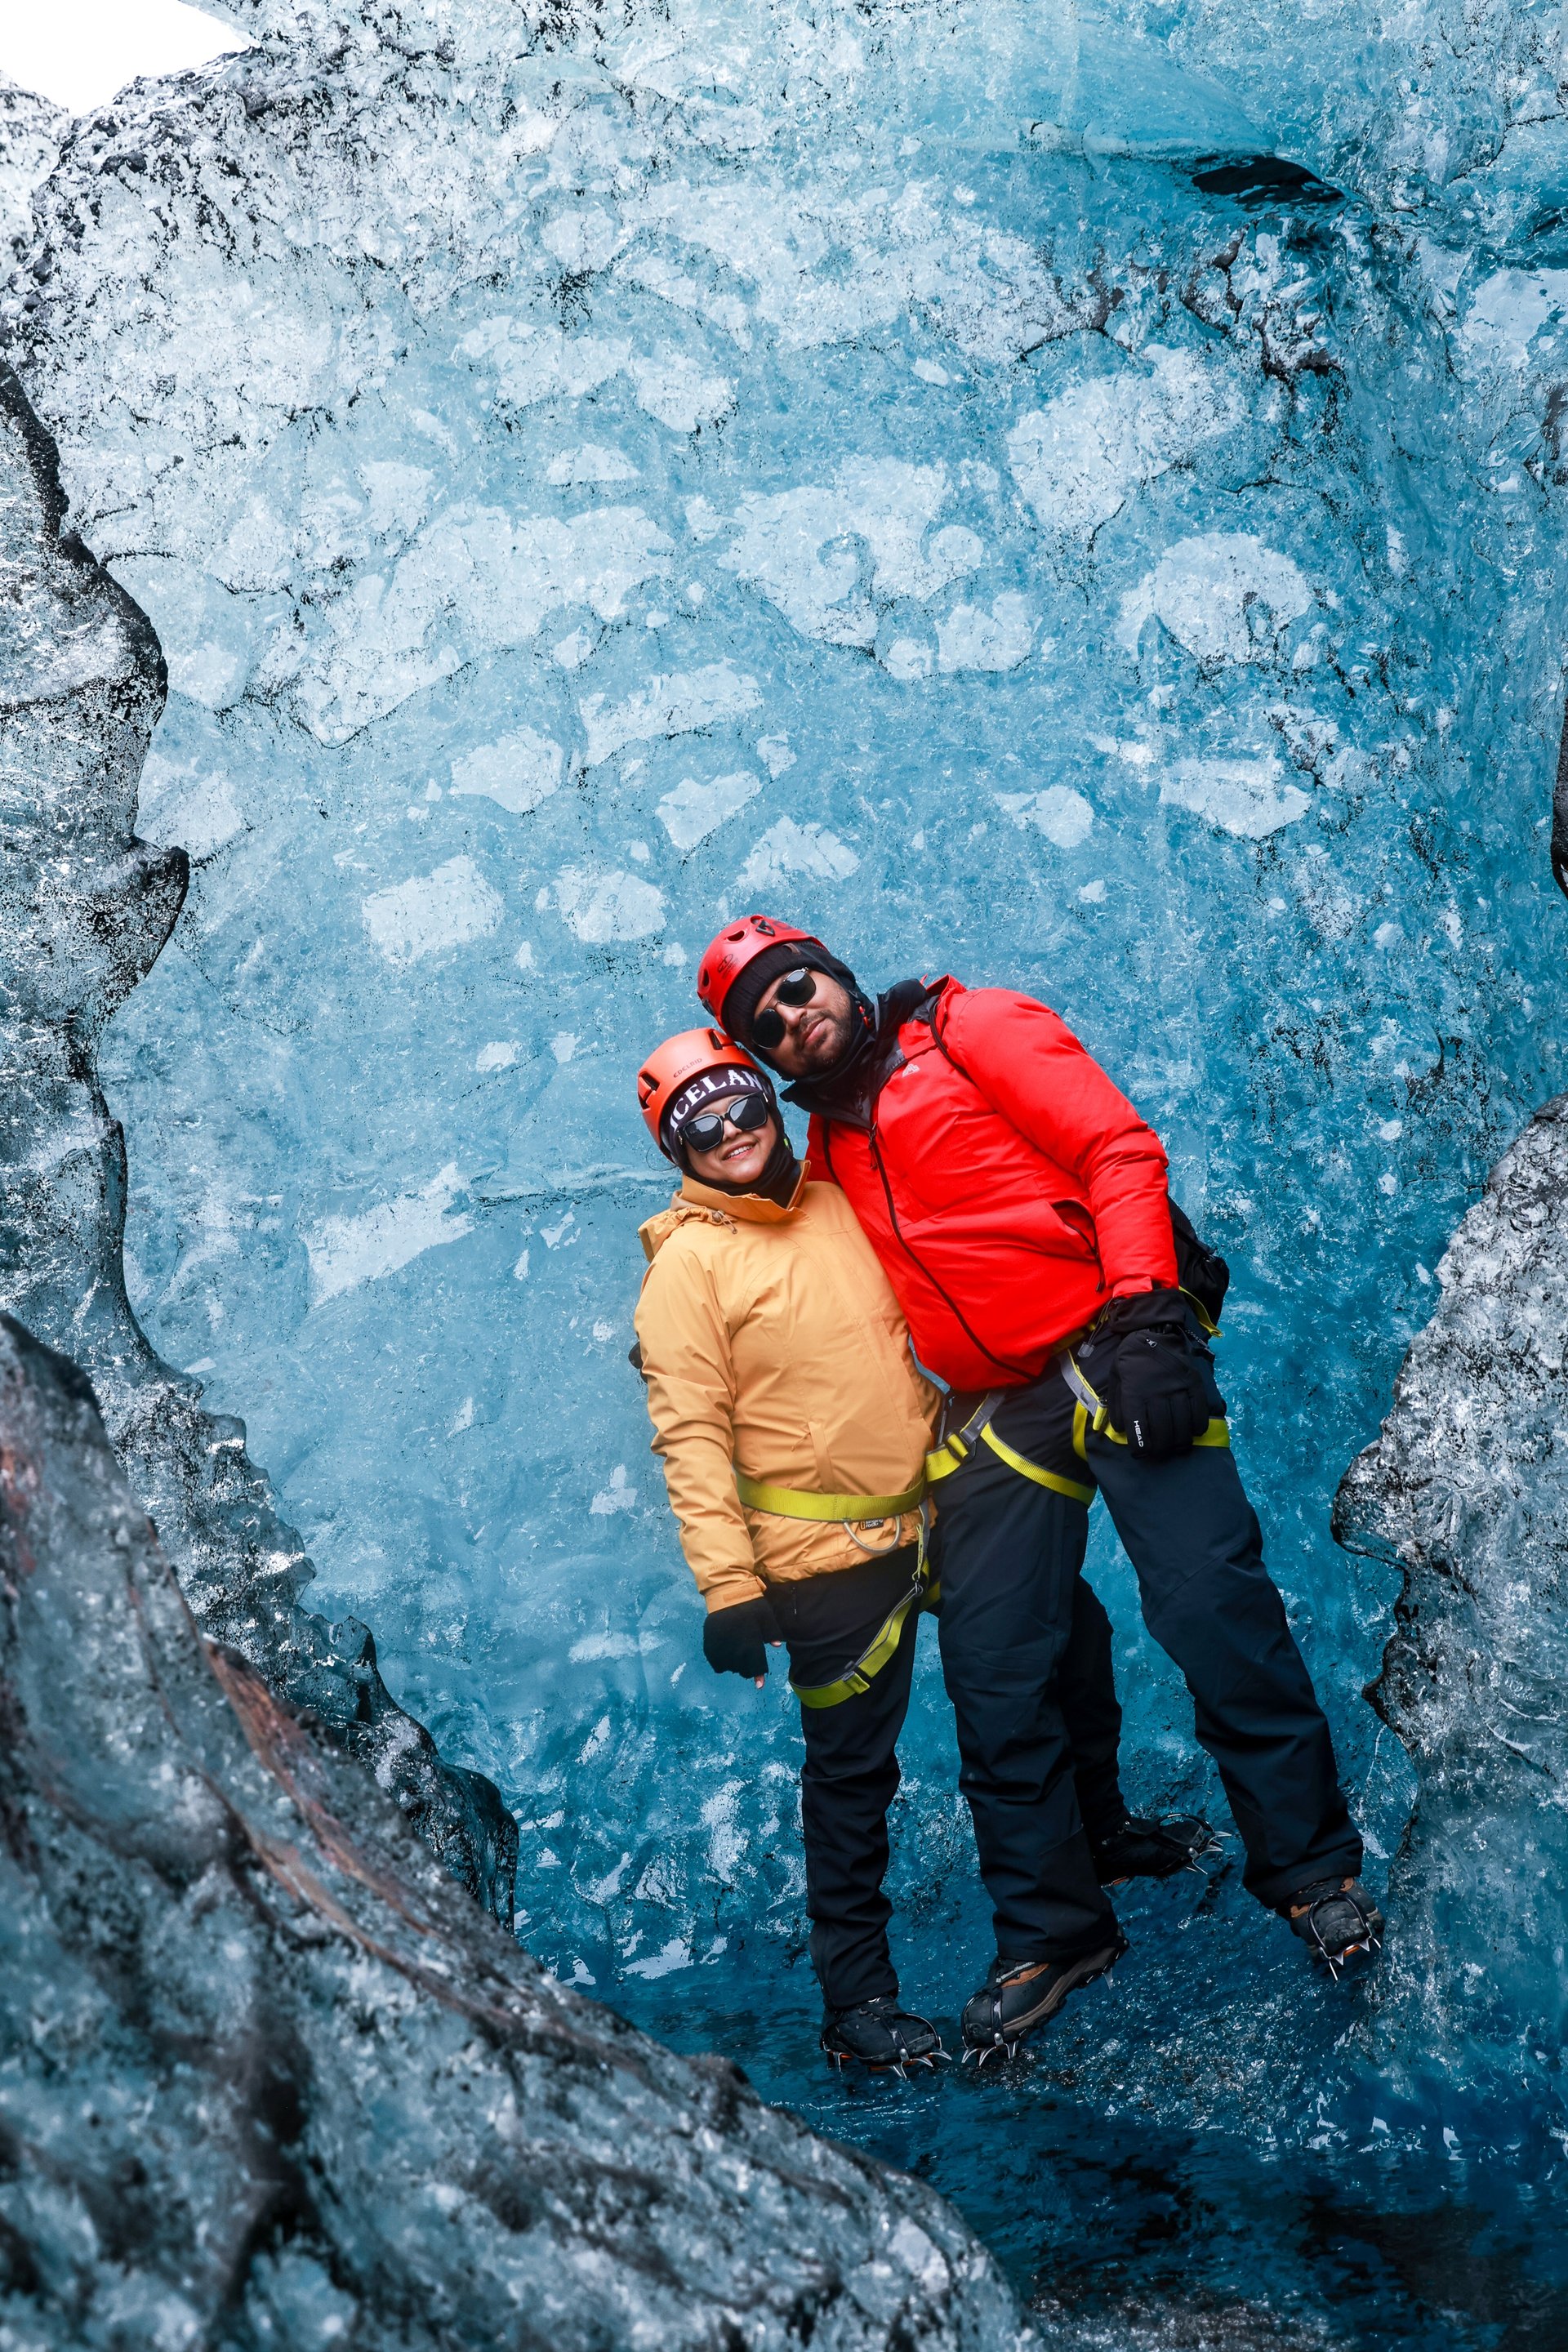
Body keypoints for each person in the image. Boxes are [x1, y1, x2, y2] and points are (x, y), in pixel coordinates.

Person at [693, 917, 1383, 2062]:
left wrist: (1154, 1314)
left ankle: (1315, 1876)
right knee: (999, 1664)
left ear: (836, 973)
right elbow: (778, 1256)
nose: (792, 1019)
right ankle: (1056, 1930)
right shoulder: (829, 1152)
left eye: (796, 988)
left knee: (1211, 1605)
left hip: (1118, 1348)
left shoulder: (971, 1030)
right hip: (997, 1409)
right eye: (764, 1025)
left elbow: (1116, 1149)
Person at [631, 1025, 1213, 2073]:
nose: (730, 1130)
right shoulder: (688, 1271)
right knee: (853, 1778)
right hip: (822, 1559)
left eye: (740, 1103)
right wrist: (728, 1586)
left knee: (1064, 1634)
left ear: (770, 1103)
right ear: (676, 1151)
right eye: (699, 1124)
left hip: (933, 1499)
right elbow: (690, 1434)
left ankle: (1102, 1832)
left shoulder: (836, 1202)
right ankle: (858, 2004)